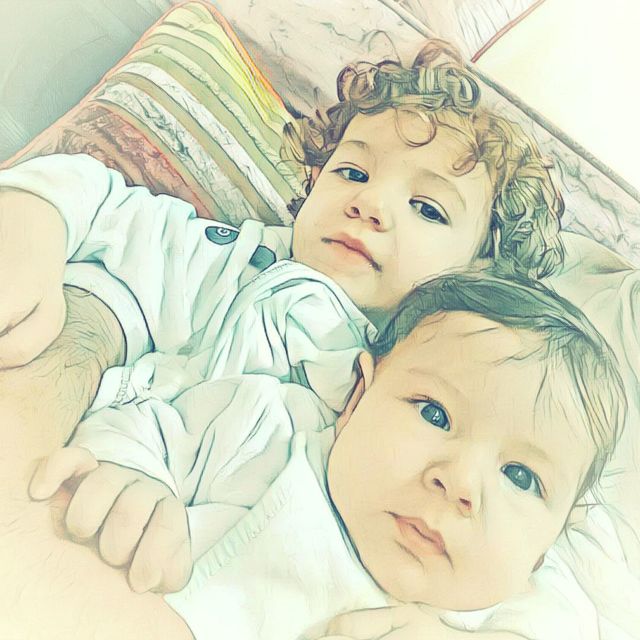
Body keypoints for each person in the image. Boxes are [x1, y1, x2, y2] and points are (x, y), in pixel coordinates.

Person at [30, 274, 625, 640]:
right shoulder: (266, 428)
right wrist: (131, 470)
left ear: (552, 540)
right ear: (357, 398)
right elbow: (145, 414)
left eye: (520, 476)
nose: (460, 482)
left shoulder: (525, 609)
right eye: (434, 414)